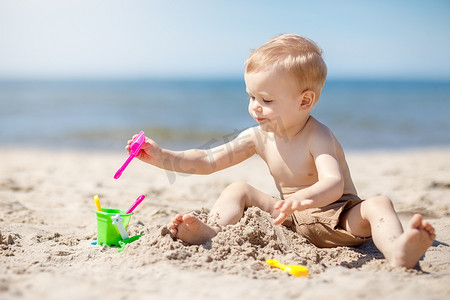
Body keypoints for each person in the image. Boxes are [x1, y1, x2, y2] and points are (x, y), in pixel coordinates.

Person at [127, 34, 435, 269]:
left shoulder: (319, 135)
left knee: (378, 203)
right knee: (238, 188)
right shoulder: (258, 136)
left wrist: (304, 198)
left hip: (339, 220)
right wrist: (162, 156)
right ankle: (214, 231)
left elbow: (334, 183)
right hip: (291, 218)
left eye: (266, 100)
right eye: (251, 96)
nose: (254, 107)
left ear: (304, 101)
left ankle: (397, 249)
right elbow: (207, 160)